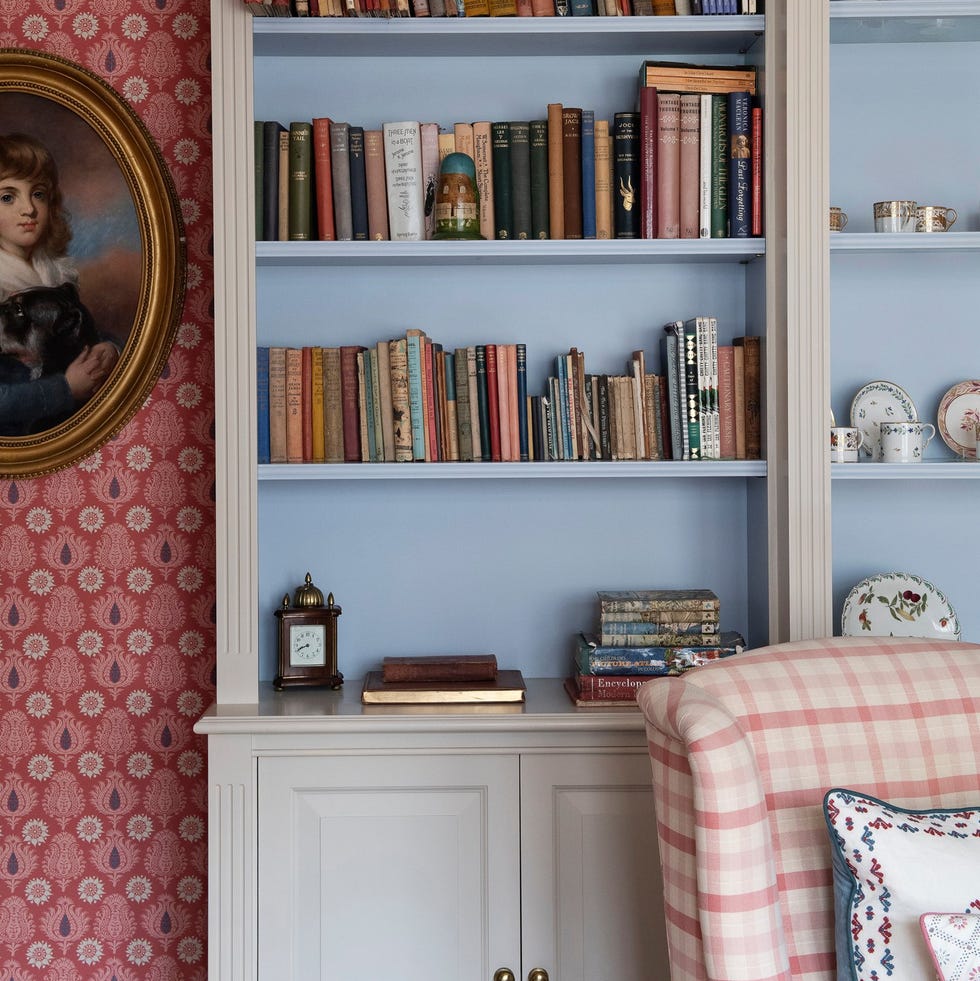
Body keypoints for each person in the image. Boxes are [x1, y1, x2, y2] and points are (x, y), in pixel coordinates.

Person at [0, 132, 118, 435]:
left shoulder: (55, 274)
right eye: (8, 197)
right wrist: (65, 388)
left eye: (38, 194)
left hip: (71, 428)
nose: (29, 209)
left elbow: (79, 334)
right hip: (22, 437)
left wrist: (110, 349)